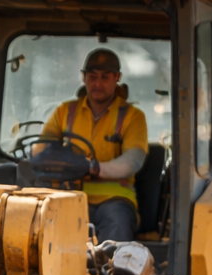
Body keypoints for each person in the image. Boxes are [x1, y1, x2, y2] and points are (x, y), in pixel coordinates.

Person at [40, 47, 148, 242]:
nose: (97, 84)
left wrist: (93, 167)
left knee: (117, 223)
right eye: (92, 77)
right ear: (83, 77)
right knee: (44, 226)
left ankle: (113, 271)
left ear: (117, 77)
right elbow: (40, 150)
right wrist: (59, 159)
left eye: (105, 77)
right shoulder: (64, 112)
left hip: (115, 199)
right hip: (69, 195)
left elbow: (133, 161)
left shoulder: (132, 117)